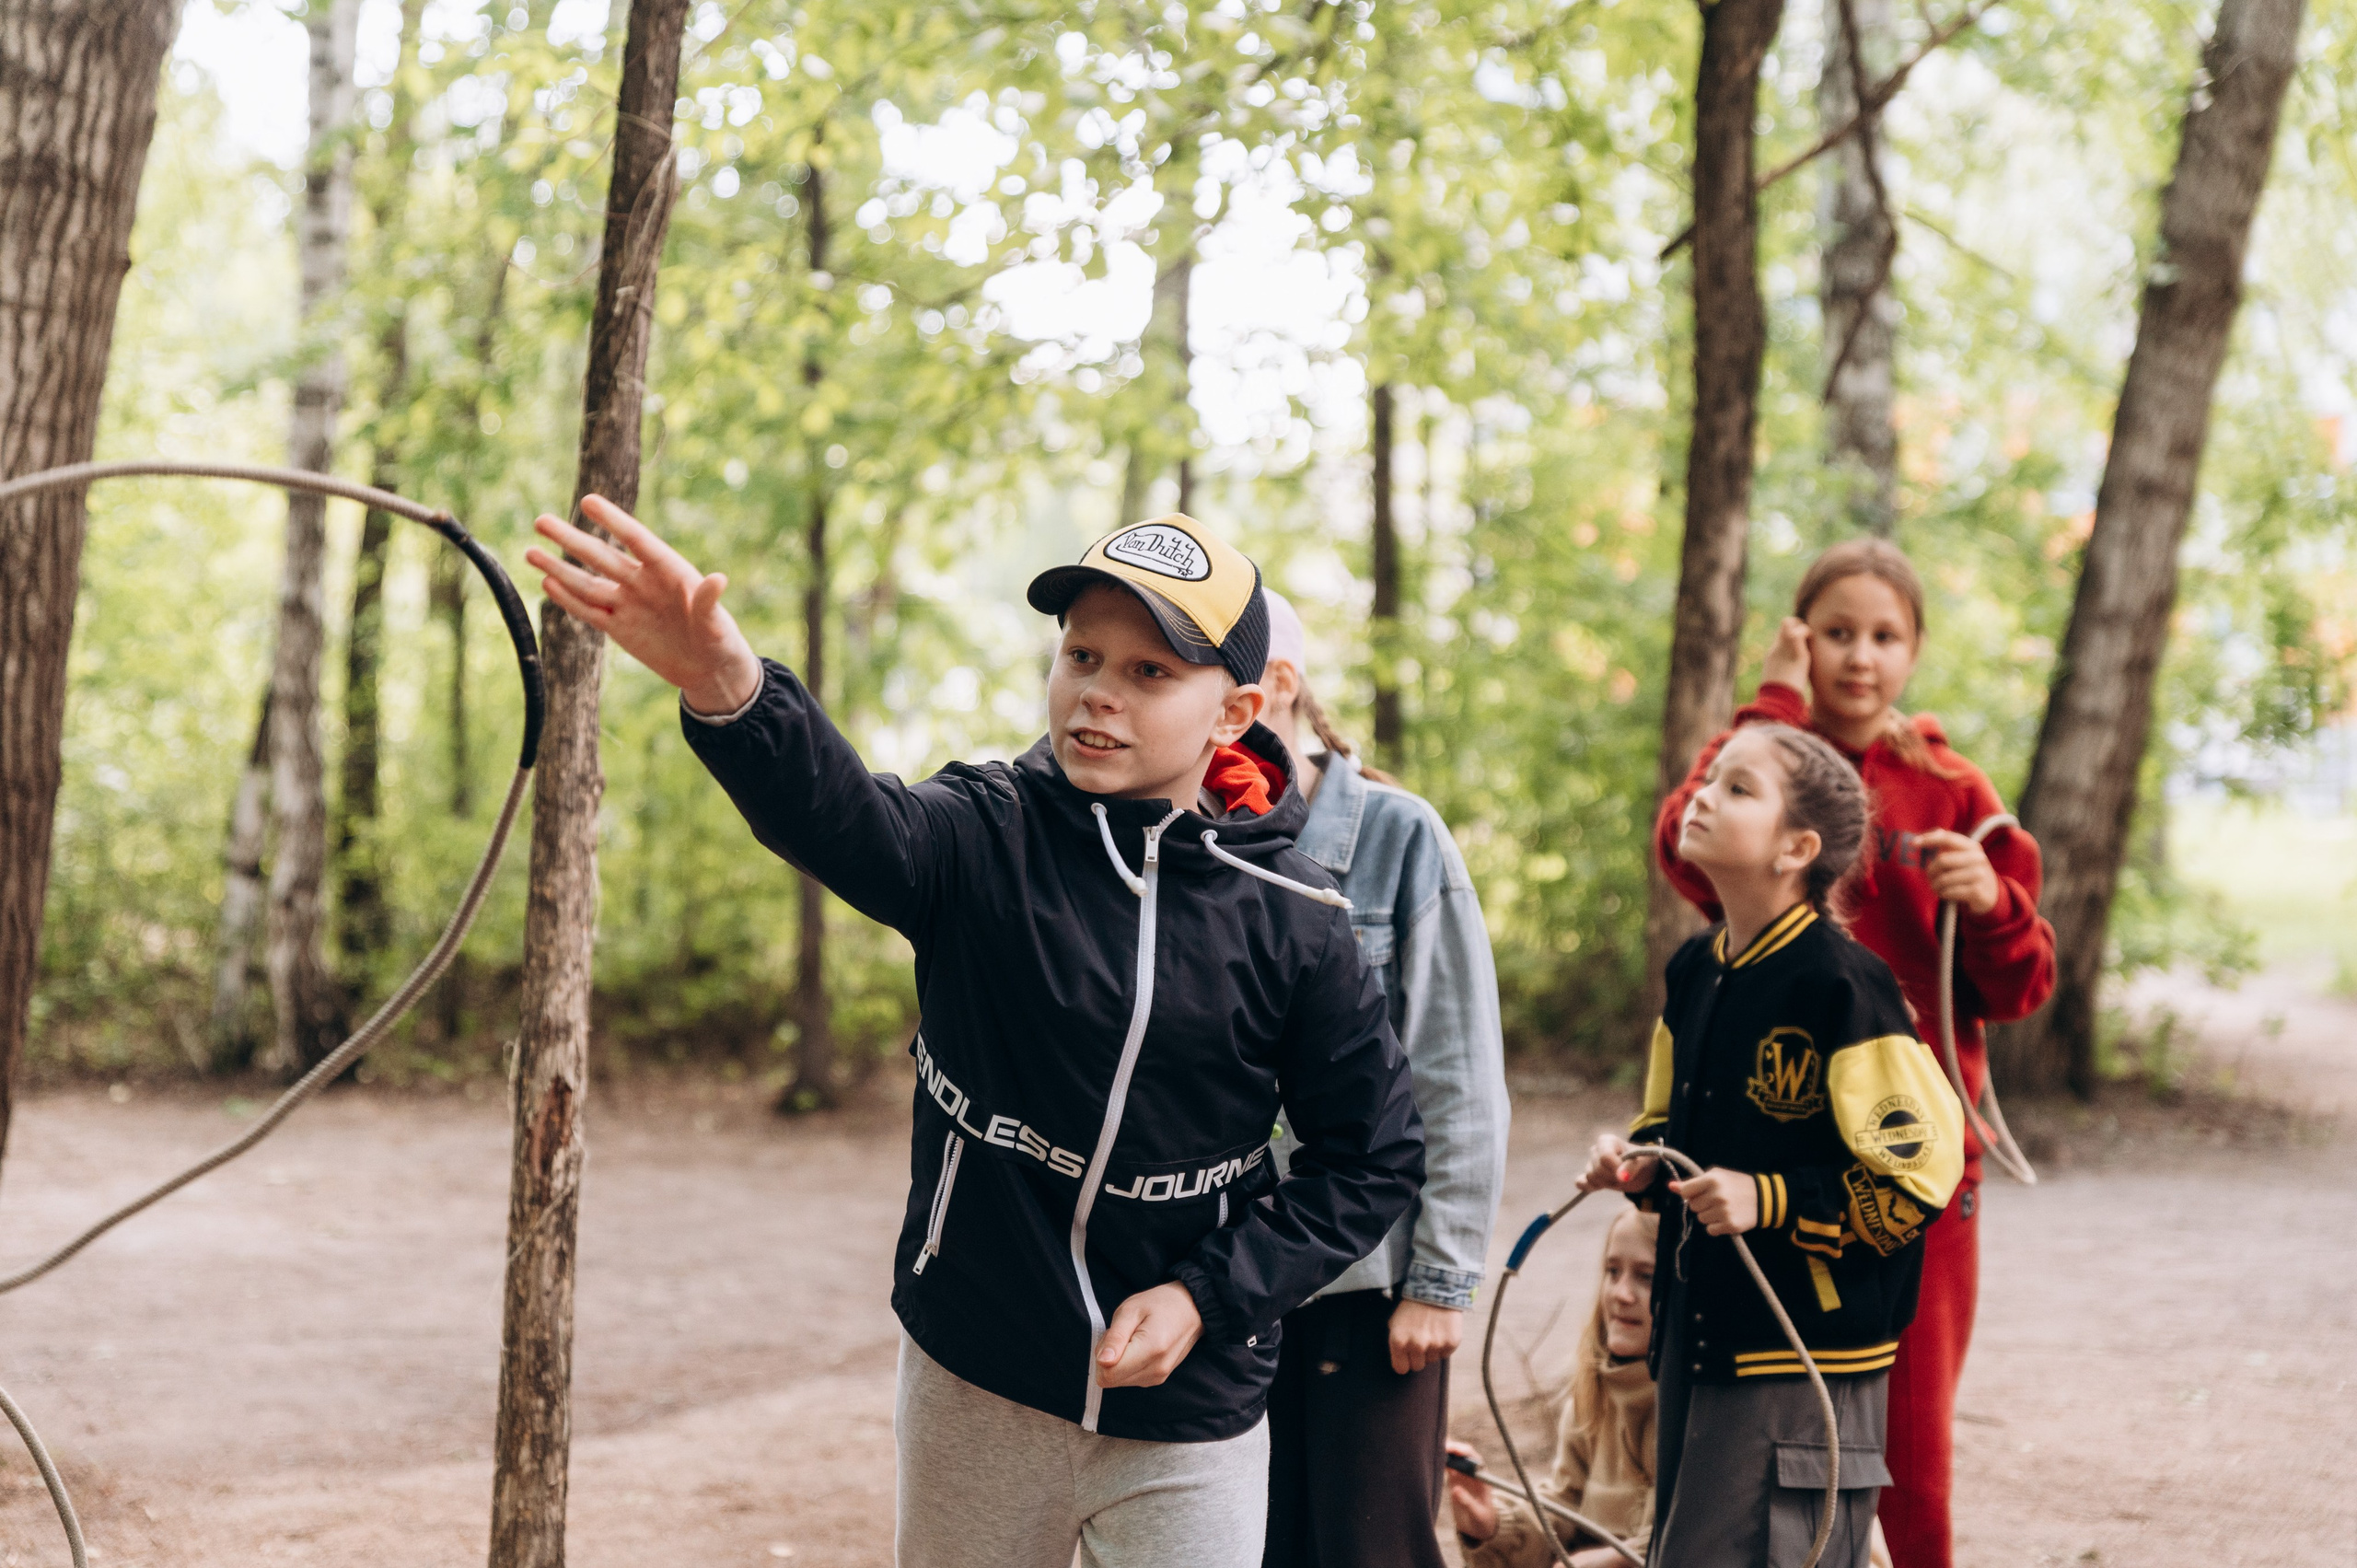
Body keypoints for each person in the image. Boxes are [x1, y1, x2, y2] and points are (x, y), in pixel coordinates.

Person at [525, 501, 1425, 1568]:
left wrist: (1207, 1293)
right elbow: (845, 815)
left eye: (1149, 673)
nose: (1097, 688)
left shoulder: (1296, 914)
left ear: (1232, 713)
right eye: (1083, 653)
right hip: (977, 1369)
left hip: (1193, 1400)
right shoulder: (982, 830)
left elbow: (1370, 1159)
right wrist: (728, 685)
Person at [1652, 539, 2056, 1568]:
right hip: (1755, 1158)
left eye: (1884, 635)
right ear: (1800, 638)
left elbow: (2020, 988)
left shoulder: (1956, 789)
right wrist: (1772, 705)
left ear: (1915, 649)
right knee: (1733, 1443)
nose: (1859, 657)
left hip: (1899, 1165)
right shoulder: (1757, 769)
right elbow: (1680, 851)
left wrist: (1994, 905)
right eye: (1835, 632)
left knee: (1904, 1447)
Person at [1584, 722, 1965, 1568]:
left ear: (1798, 847)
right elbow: (1663, 1126)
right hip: (1698, 1338)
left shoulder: (1845, 986)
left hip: (1802, 1360)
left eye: (1736, 788)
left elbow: (1922, 1178)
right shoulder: (1695, 970)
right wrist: (1639, 1166)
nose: (1702, 797)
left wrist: (1774, 1198)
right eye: (1707, 779)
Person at [1252, 591, 1510, 1568]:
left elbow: (1458, 1072)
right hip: (1221, 1281)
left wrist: (1439, 1281)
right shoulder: (1179, 834)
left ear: (1277, 687)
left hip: (1371, 1284)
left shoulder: (1401, 838)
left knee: (1371, 1544)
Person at [1445, 1207, 1661, 1567]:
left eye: (1647, 1277)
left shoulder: (1692, 1408)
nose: (1621, 1293)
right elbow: (1565, 1507)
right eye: (1612, 1271)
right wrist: (1494, 1525)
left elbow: (1678, 1541)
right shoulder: (1594, 1389)